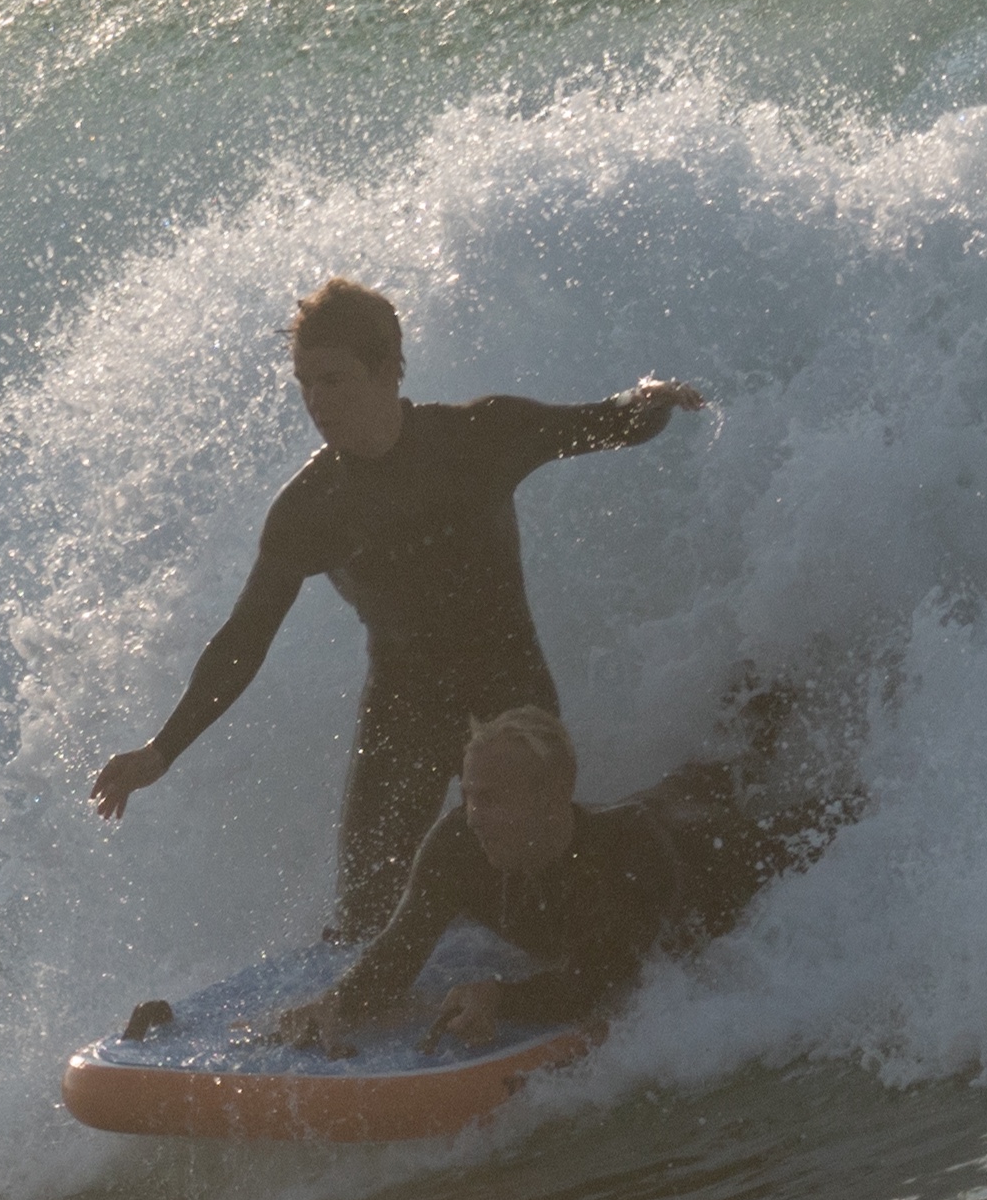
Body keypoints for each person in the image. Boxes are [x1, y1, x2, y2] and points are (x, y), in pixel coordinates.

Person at [89, 276, 708, 936]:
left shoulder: (479, 436)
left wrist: (650, 398)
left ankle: (670, 861)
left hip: (508, 701)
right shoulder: (309, 509)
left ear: (386, 369)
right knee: (364, 910)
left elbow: (604, 422)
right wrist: (164, 748)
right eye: (304, 383)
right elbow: (244, 637)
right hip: (404, 707)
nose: (316, 402)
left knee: (542, 896)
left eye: (333, 380)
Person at [251, 704, 812, 1052]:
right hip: (662, 804)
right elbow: (400, 950)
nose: (473, 814)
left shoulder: (625, 856)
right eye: (468, 795)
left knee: (811, 817)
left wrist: (500, 997)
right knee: (718, 760)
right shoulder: (457, 844)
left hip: (714, 851)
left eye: (491, 799)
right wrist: (338, 1001)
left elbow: (598, 979)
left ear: (551, 799)